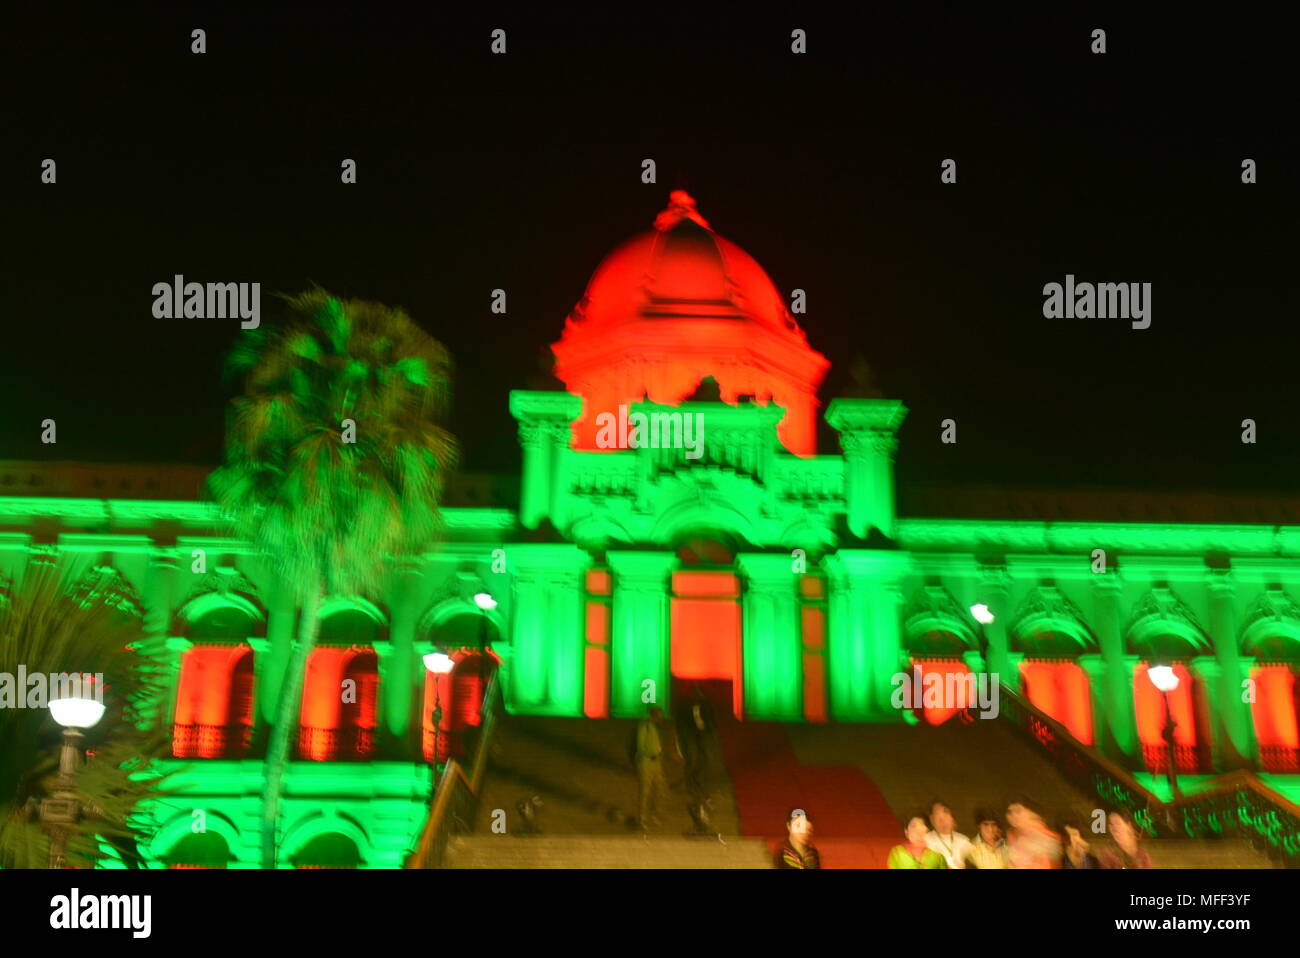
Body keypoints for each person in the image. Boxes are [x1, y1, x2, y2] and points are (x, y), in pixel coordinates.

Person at [675, 684, 717, 833]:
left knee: (705, 762)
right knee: (692, 762)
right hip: (692, 735)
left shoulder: (705, 706)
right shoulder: (687, 707)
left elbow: (710, 720)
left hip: (703, 736)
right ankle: (692, 784)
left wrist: (710, 732)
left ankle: (702, 786)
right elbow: (682, 722)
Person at [635, 706, 671, 830]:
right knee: (645, 792)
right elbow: (640, 745)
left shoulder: (656, 727)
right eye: (659, 716)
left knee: (660, 790)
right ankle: (642, 820)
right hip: (646, 763)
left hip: (657, 763)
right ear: (653, 715)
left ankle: (655, 816)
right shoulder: (645, 725)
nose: (661, 718)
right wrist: (651, 753)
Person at [1006, 799, 1061, 868]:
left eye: (1018, 811)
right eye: (1010, 812)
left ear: (1031, 813)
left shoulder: (1047, 837)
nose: (1013, 815)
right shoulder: (1012, 835)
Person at [925, 800, 974, 869]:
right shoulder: (926, 840)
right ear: (932, 820)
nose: (943, 821)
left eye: (946, 813)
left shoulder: (964, 841)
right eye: (939, 818)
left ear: (953, 817)